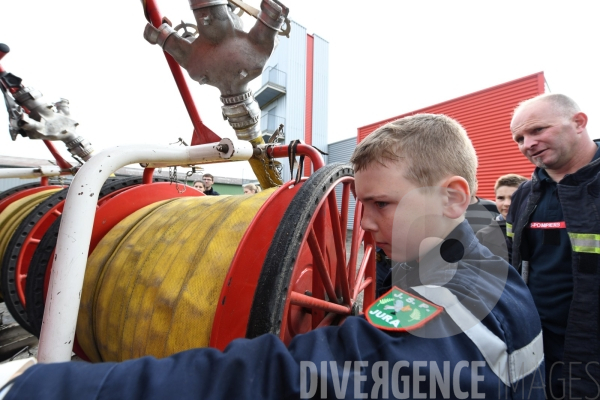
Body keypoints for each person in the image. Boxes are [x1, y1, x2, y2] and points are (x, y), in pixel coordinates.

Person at [0, 114, 544, 399]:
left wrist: (55, 387)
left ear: (452, 196)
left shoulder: (449, 310)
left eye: (382, 204)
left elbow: (283, 381)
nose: (367, 223)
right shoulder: (486, 272)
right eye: (362, 204)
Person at [507, 93, 600, 399]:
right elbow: (510, 263)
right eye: (519, 137)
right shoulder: (523, 196)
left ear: (579, 123)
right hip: (538, 351)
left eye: (537, 130)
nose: (527, 144)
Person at [476, 174, 528, 261]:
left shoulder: (536, 230)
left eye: (512, 198)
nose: (506, 203)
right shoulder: (483, 235)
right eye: (501, 198)